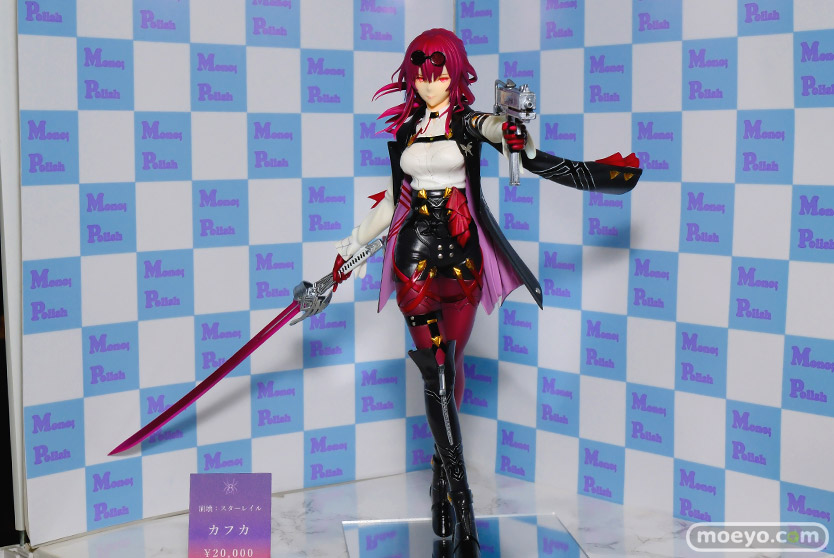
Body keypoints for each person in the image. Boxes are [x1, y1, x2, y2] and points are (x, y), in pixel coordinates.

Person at [334, 28, 641, 558]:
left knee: (453, 367)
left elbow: (502, 131)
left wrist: (516, 133)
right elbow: (395, 200)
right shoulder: (407, 129)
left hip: (462, 261)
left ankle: (439, 477)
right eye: (421, 76)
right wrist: (352, 243)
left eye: (439, 74)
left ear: (455, 75)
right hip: (413, 258)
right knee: (435, 371)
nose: (429, 84)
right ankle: (465, 510)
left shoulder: (468, 123)